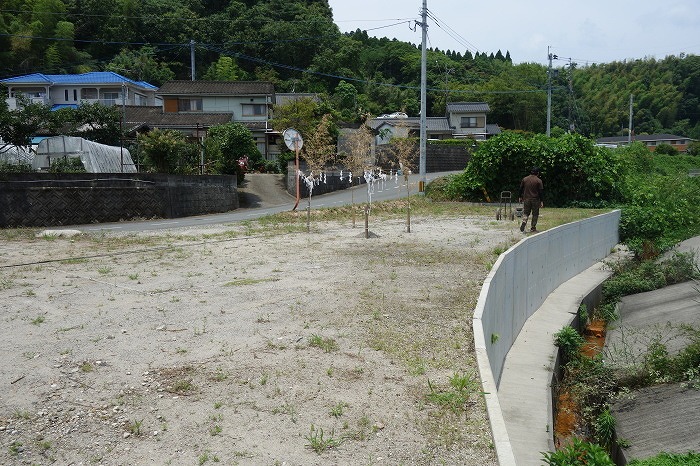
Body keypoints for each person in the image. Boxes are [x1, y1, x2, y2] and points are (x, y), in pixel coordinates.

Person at [519, 167, 544, 233]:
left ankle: (524, 221)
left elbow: (521, 188)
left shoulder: (525, 179)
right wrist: (541, 201)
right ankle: (533, 228)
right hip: (535, 199)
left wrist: (520, 197)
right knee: (535, 214)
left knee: (526, 213)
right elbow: (541, 192)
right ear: (537, 173)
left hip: (526, 199)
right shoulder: (539, 181)